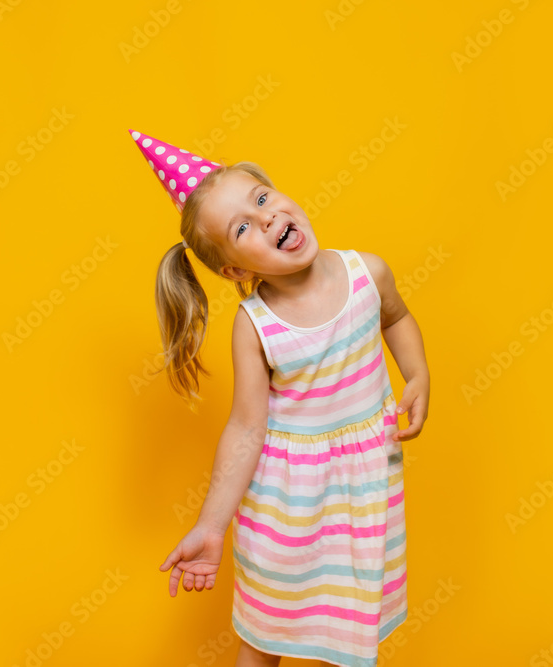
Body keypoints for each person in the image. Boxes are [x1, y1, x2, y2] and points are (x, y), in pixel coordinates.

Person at [130, 128, 431, 667]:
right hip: (287, 501)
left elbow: (398, 317)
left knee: (353, 622)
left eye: (262, 198)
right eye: (242, 226)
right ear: (237, 270)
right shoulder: (255, 326)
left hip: (364, 487)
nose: (266, 217)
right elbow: (246, 429)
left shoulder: (368, 272)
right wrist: (211, 525)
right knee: (268, 626)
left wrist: (416, 374)